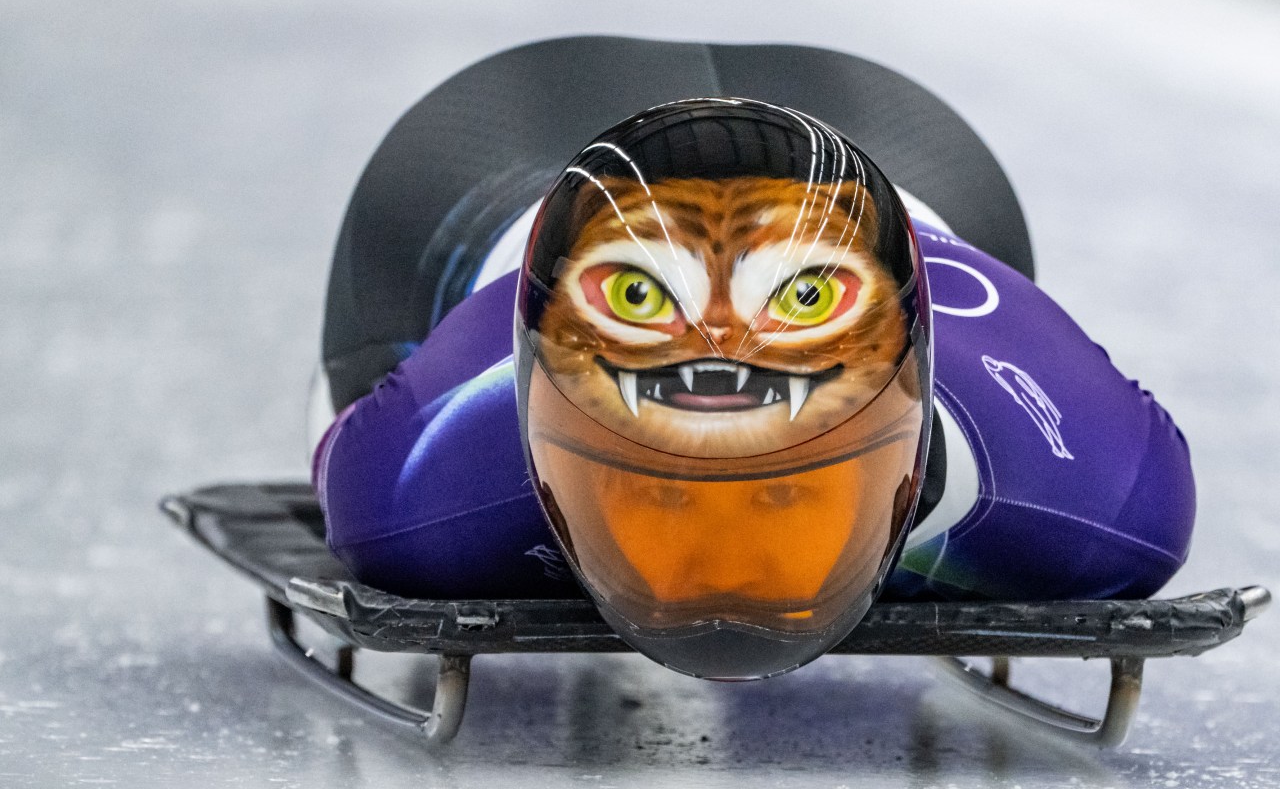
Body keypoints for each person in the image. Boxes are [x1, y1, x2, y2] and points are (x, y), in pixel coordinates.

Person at [313, 95, 1193, 680]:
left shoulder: (416, 501)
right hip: (871, 128)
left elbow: (345, 444)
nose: (721, 579)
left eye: (782, 493)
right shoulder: (1100, 505)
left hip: (504, 132)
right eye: (657, 495)